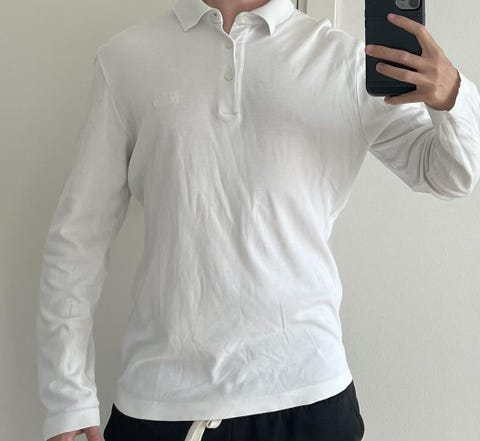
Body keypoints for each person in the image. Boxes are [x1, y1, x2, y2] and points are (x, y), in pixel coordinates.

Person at [36, 0, 480, 439]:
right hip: (162, 398)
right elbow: (79, 237)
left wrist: (453, 95)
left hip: (310, 394)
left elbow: (450, 175)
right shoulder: (127, 58)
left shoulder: (344, 61)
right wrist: (66, 398)